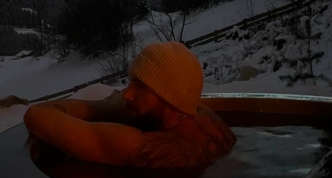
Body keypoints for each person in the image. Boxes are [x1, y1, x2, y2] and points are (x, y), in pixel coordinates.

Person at [24, 41, 237, 168]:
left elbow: (36, 116)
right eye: (131, 83)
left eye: (141, 87)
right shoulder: (206, 118)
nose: (127, 94)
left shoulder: (148, 147)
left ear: (170, 97)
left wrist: (101, 108)